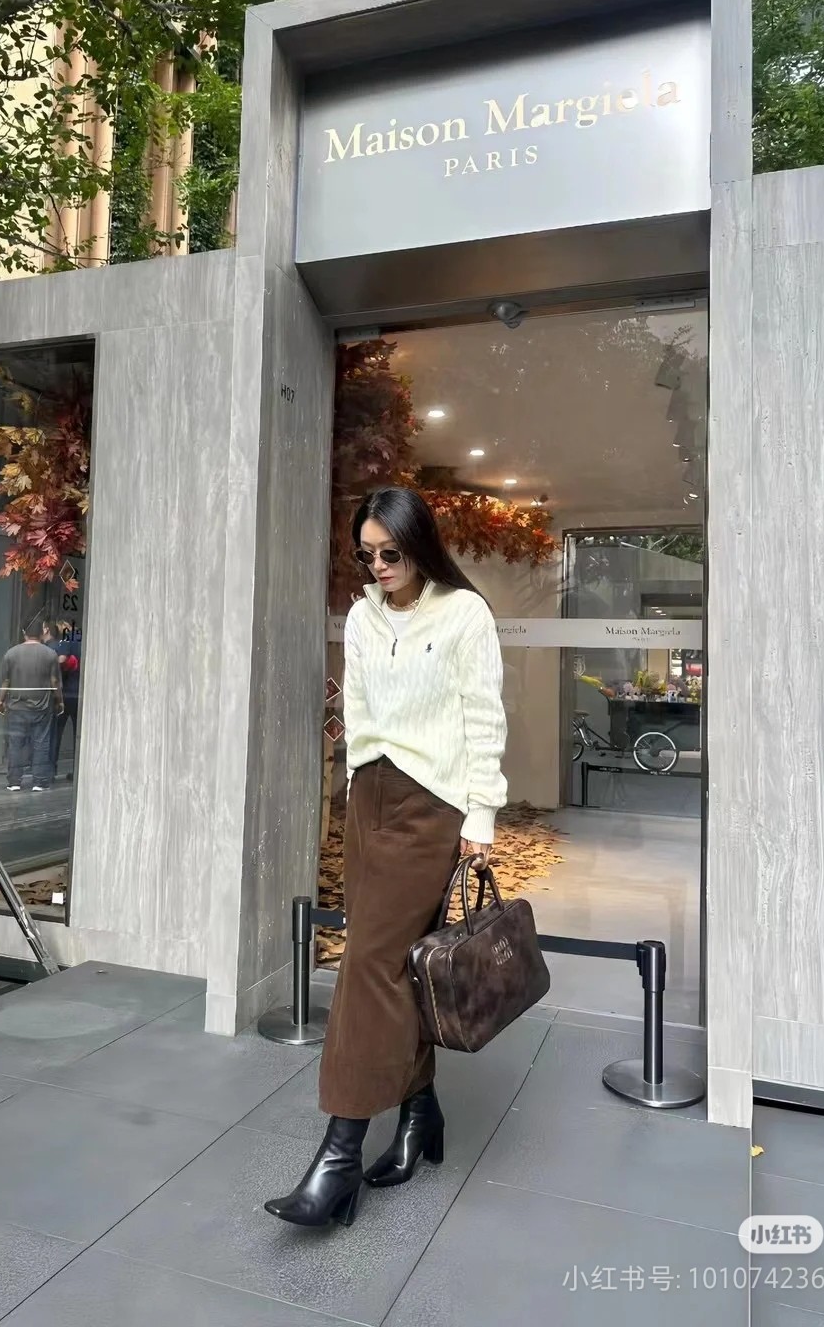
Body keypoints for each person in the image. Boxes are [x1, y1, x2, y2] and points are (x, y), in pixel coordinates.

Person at [264, 486, 507, 1229]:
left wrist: (482, 814)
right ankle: (420, 1114)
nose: (378, 565)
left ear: (419, 544)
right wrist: (352, 788)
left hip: (431, 805)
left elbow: (483, 717)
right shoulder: (365, 616)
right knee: (398, 964)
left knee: (367, 965)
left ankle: (339, 1156)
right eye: (366, 554)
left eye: (391, 552)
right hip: (369, 796)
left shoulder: (463, 614)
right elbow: (360, 708)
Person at [0, 624, 64, 792]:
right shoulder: (50, 654)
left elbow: (6, 681)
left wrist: (1, 700)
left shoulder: (11, 654)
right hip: (42, 706)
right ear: (42, 633)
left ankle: (14, 781)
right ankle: (39, 781)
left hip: (17, 706)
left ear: (24, 633)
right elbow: (54, 681)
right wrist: (59, 701)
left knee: (16, 744)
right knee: (41, 743)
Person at [43, 621, 82, 779]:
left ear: (65, 624)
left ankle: (50, 770)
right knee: (78, 735)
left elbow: (62, 659)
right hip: (81, 693)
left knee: (56, 733)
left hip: (66, 693)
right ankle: (78, 771)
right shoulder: (83, 638)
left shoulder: (67, 638)